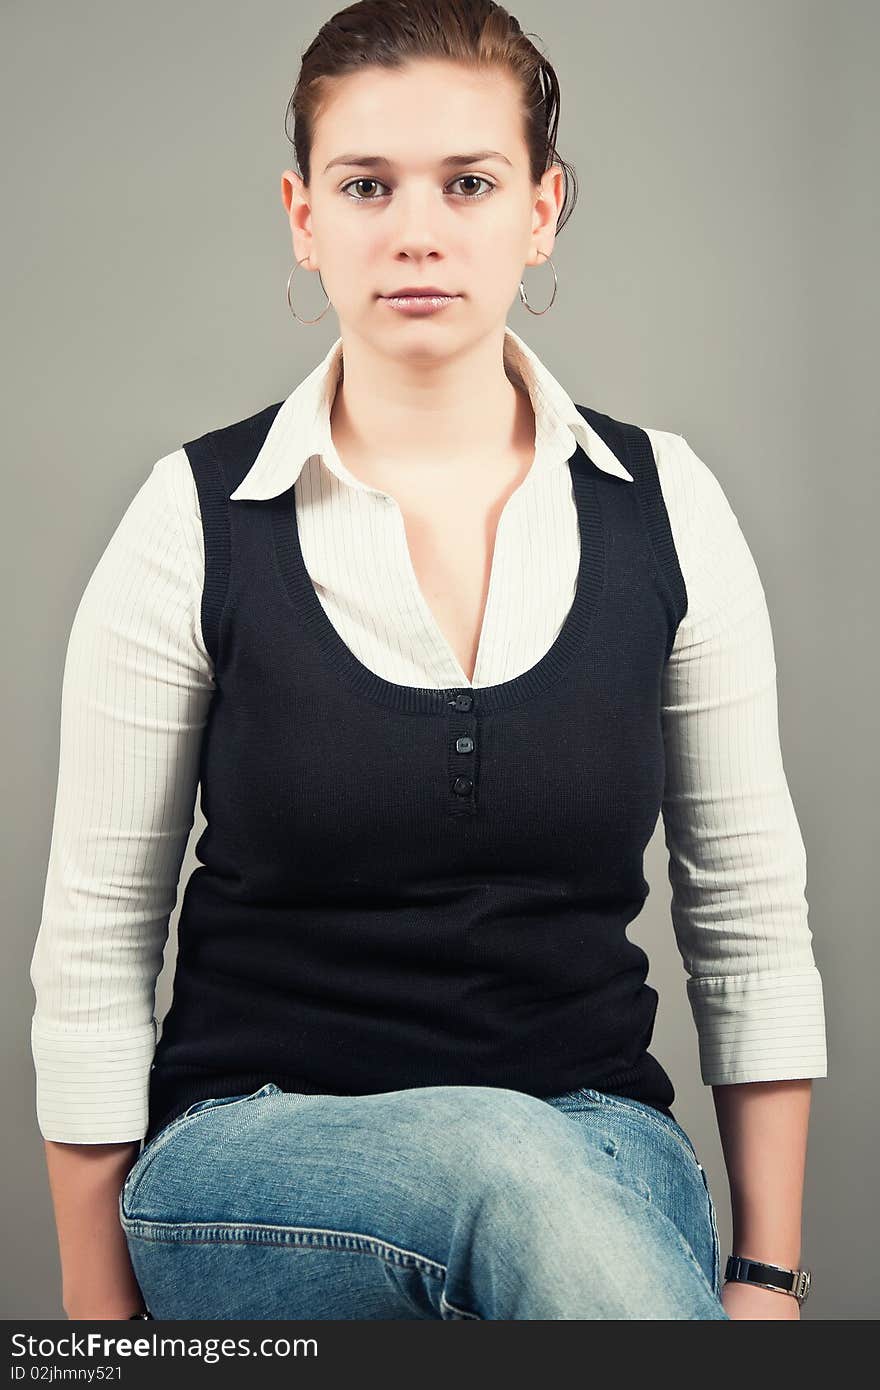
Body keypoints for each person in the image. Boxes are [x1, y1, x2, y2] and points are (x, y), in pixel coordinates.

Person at [30, 0, 827, 1321]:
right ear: (303, 215)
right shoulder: (191, 521)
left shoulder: (666, 504)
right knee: (497, 1166)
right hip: (252, 1158)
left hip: (599, 1144)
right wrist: (99, 1339)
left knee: (540, 1174)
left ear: (542, 208)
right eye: (365, 185)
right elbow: (95, 950)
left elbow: (748, 924)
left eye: (469, 182)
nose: (416, 229)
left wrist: (768, 1280)